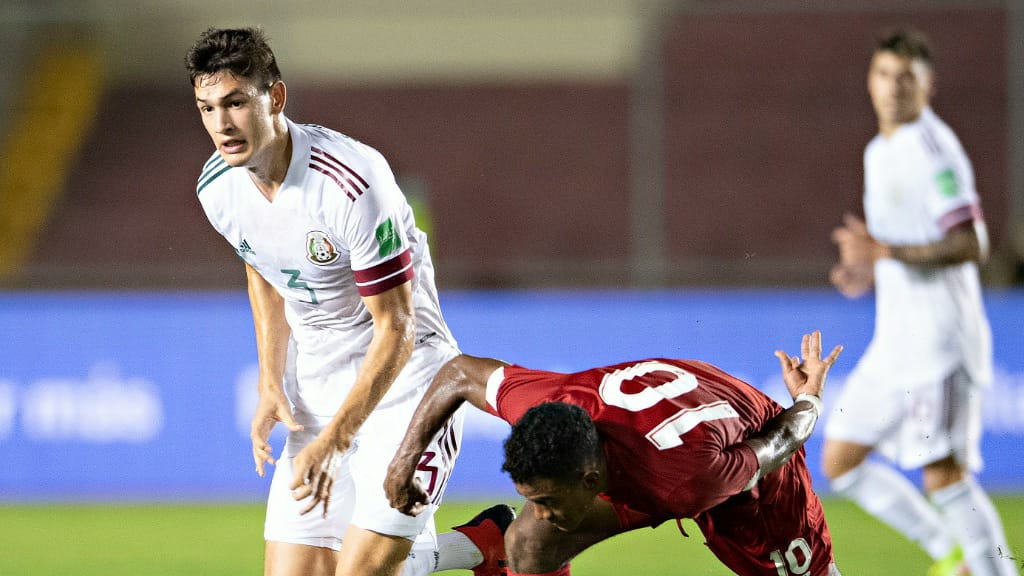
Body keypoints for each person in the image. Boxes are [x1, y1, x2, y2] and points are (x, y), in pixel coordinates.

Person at [186, 27, 512, 576]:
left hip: (412, 381)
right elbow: (261, 265)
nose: (222, 124)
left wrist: (339, 439)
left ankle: (480, 545)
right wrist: (271, 380)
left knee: (360, 573)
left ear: (276, 98)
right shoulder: (218, 186)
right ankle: (486, 543)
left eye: (237, 102)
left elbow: (397, 329)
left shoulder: (351, 183)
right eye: (207, 107)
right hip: (317, 385)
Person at [386, 331, 844, 575]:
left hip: (744, 458)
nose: (540, 511)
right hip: (644, 449)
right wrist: (406, 459)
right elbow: (459, 373)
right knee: (530, 542)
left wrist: (809, 399)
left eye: (547, 500)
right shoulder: (549, 403)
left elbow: (782, 440)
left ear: (589, 480)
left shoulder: (689, 479)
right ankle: (493, 539)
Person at [825, 27, 1018, 576]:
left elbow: (971, 242)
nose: (894, 88)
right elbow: (901, 243)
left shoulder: (934, 148)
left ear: (927, 87)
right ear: (870, 81)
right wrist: (871, 266)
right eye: (885, 75)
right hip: (896, 343)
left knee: (944, 473)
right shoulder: (877, 151)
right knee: (841, 460)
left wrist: (885, 249)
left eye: (907, 78)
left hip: (939, 341)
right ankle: (950, 554)